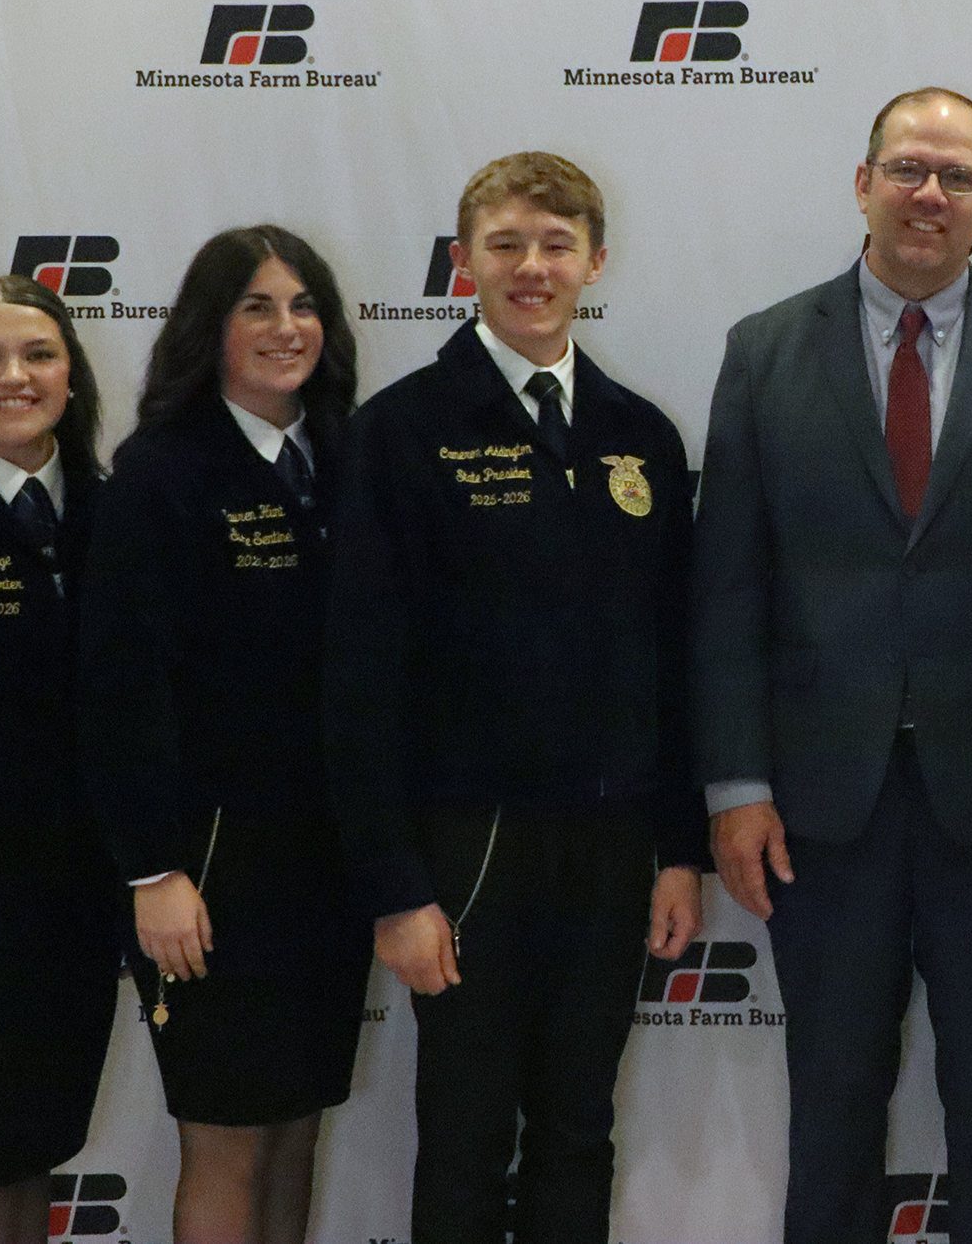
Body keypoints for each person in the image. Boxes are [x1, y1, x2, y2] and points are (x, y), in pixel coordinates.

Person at [692, 87, 972, 1243]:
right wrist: (733, 787)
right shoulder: (763, 349)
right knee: (830, 1105)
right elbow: (728, 590)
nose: (926, 194)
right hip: (814, 809)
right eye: (905, 169)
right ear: (862, 183)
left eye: (952, 176)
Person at [324, 152, 702, 1244]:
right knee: (465, 1127)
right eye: (504, 244)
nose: (529, 267)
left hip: (613, 835)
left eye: (552, 243)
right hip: (466, 843)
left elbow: (671, 659)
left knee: (580, 1122)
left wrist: (675, 846)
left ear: (594, 257)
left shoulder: (641, 435)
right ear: (462, 263)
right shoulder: (403, 431)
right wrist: (397, 886)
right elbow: (360, 675)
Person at [79, 227, 369, 1244]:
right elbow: (122, 688)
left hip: (326, 860)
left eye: (301, 303)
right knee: (228, 1139)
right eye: (255, 305)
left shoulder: (341, 459)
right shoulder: (161, 474)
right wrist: (152, 866)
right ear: (211, 328)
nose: (285, 327)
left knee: (297, 1128)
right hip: (207, 862)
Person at [0, 276, 116, 1244]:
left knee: (30, 1157)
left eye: (38, 354)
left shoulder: (106, 513)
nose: (14, 376)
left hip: (74, 901)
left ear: (72, 375)